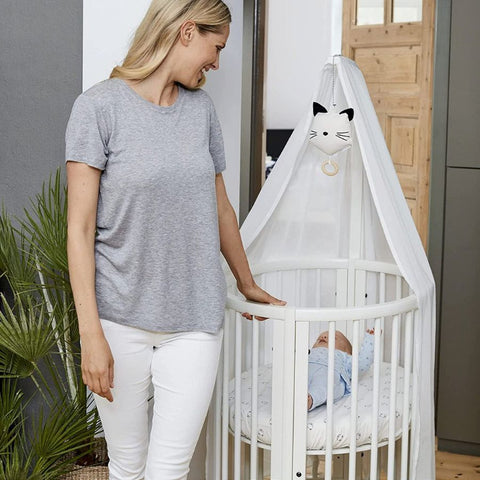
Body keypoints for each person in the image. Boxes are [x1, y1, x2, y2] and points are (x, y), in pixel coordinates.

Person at [65, 1, 285, 479]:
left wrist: (246, 282)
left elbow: (221, 208)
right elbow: (79, 229)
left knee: (169, 469)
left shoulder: (200, 111)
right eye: (216, 47)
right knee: (127, 463)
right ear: (187, 32)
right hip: (119, 318)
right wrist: (90, 335)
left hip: (194, 318)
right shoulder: (98, 107)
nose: (217, 62)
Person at [307, 329, 375, 411]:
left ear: (346, 351)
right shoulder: (310, 352)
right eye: (319, 338)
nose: (323, 337)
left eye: (333, 337)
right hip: (305, 368)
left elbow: (362, 363)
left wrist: (370, 339)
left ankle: (310, 399)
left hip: (328, 372)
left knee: (324, 384)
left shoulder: (344, 356)